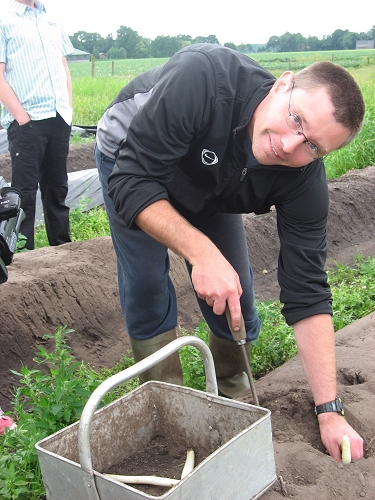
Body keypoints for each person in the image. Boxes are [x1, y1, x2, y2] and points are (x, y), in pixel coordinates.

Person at [95, 43, 365, 462]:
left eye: (313, 146)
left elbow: (308, 288)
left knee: (236, 293)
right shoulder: (203, 78)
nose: (290, 146)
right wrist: (201, 250)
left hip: (212, 184)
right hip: (132, 159)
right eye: (296, 120)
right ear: (282, 86)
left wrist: (329, 411)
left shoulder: (302, 177)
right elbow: (133, 179)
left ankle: (232, 397)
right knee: (147, 282)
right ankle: (167, 409)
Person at [0, 0, 73, 250]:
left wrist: (68, 108)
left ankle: (62, 250)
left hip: (58, 117)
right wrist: (22, 117)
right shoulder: (3, 17)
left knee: (57, 190)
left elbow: (63, 66)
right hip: (27, 122)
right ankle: (23, 255)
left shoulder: (50, 18)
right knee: (26, 195)